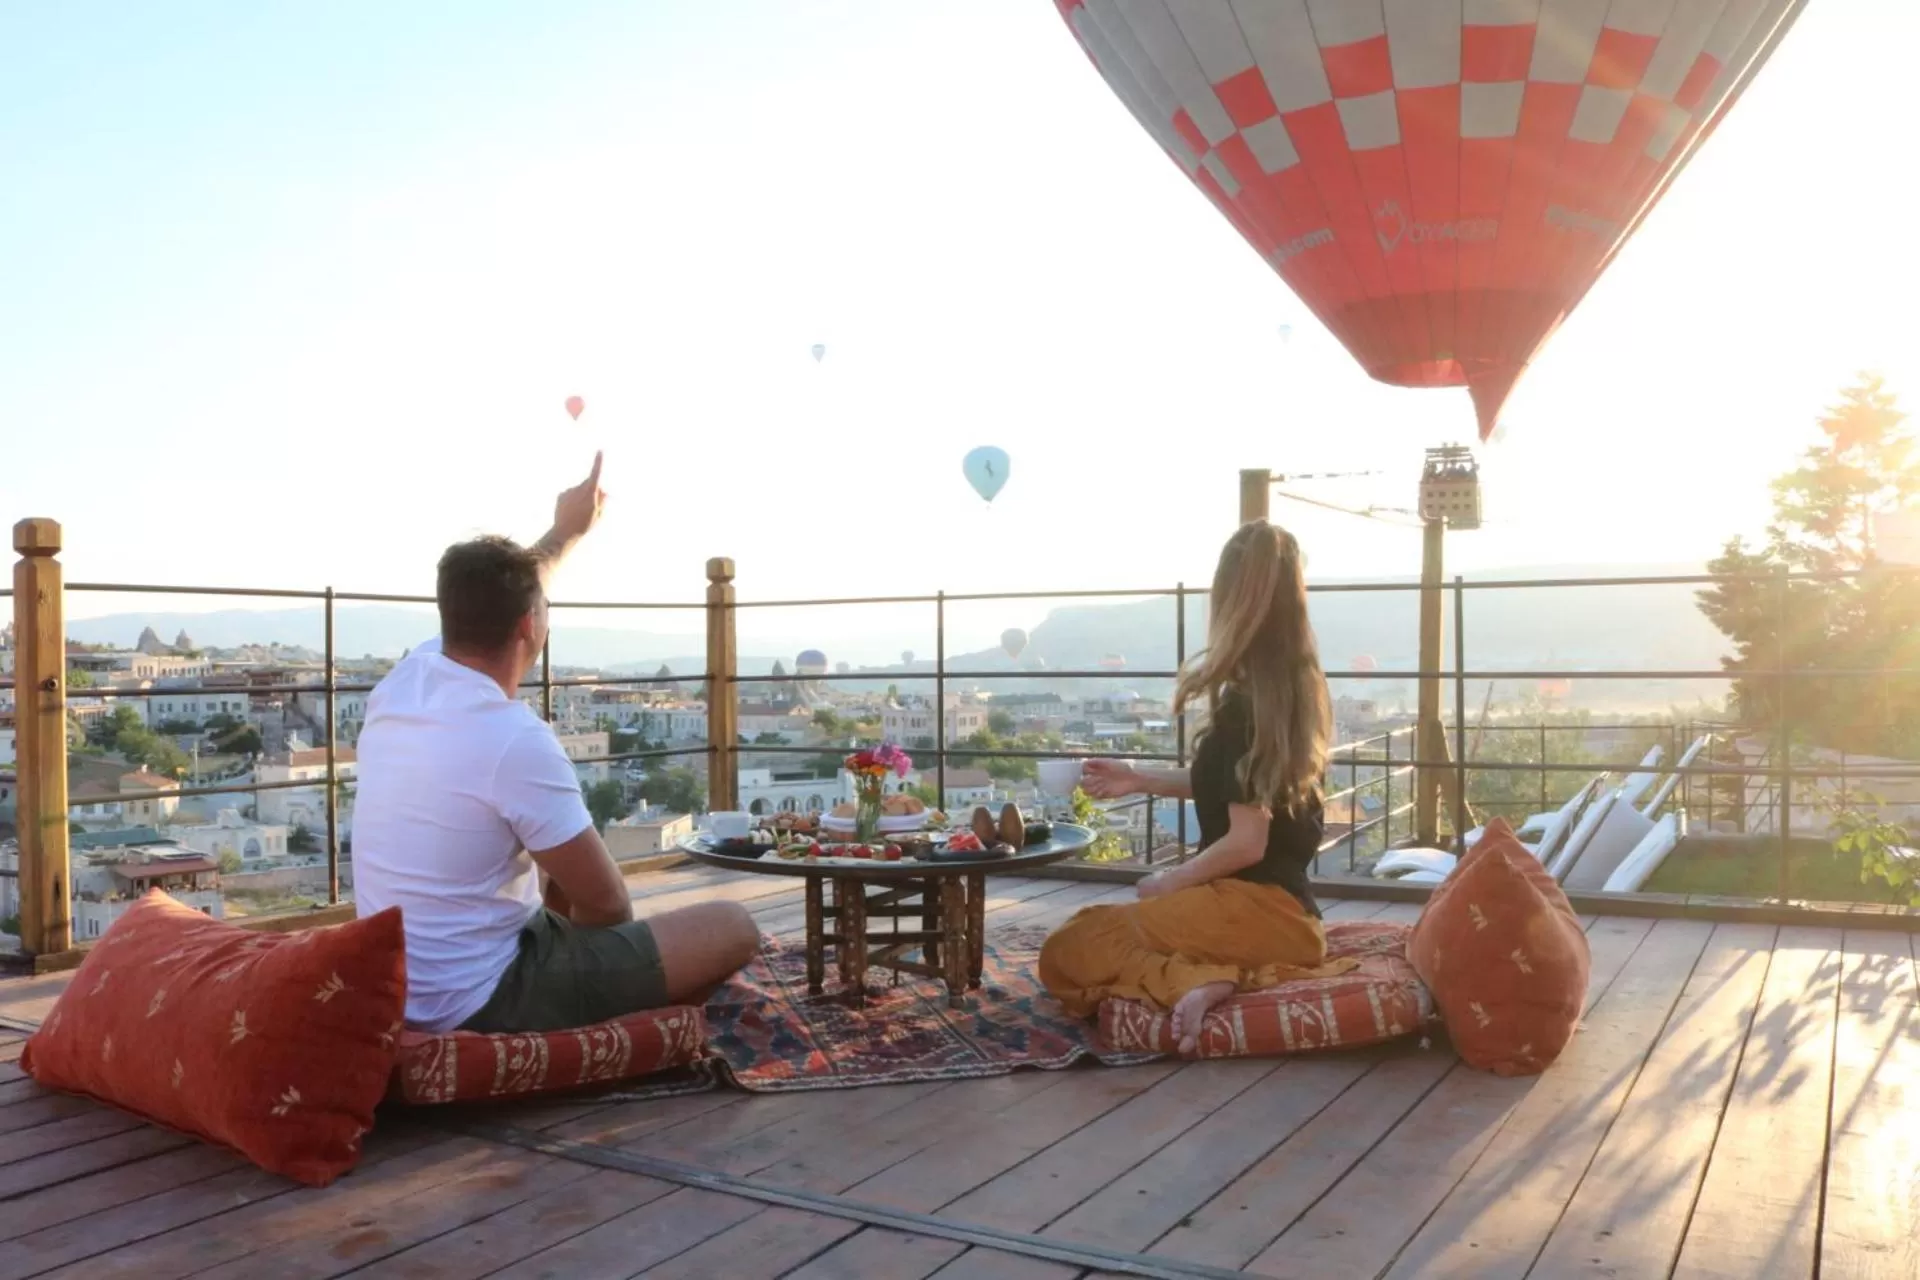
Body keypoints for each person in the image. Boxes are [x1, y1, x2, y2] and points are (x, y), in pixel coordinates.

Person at [353, 454, 758, 1033]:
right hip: (479, 997)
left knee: (547, 870)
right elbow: (610, 906)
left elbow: (515, 585)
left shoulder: (403, 682)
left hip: (400, 977)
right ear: (529, 627)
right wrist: (587, 957)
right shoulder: (512, 736)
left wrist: (568, 530)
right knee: (731, 923)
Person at [1038, 521, 1357, 1053]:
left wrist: (1169, 881)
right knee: (1099, 925)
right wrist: (1140, 778)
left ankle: (1199, 980)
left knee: (1071, 947)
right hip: (1292, 919)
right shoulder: (1292, 695)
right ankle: (1220, 971)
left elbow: (1246, 842)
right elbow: (1242, 794)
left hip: (1249, 907)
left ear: (1228, 597)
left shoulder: (1243, 706)